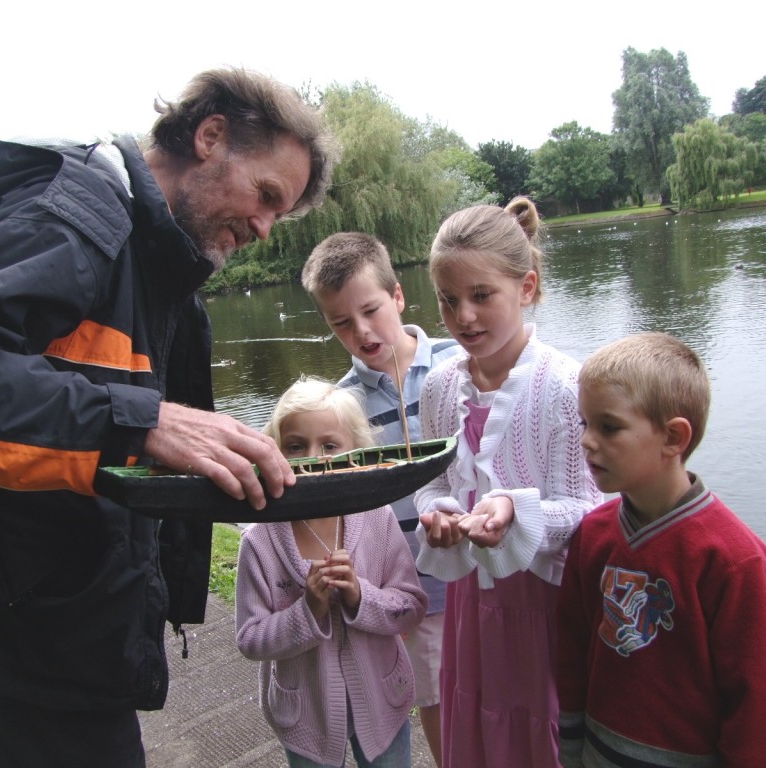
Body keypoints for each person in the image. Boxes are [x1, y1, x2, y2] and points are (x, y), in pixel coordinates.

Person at [0, 67, 338, 768]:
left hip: (77, 616)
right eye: (266, 196)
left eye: (279, 214)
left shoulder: (161, 266)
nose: (265, 228)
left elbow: (109, 434)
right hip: (26, 628)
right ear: (210, 137)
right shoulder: (76, 219)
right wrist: (140, 425)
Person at [414, 197, 602, 768]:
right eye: (448, 300)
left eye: (480, 296)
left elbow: (592, 511)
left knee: (543, 737)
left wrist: (514, 513)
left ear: (526, 287)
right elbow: (434, 480)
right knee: (478, 728)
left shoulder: (569, 388)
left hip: (545, 604)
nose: (463, 317)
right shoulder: (440, 388)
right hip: (472, 600)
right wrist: (438, 513)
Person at [557, 332, 766, 767]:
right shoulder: (592, 534)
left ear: (674, 437)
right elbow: (572, 648)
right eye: (585, 423)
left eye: (609, 427)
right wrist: (571, 746)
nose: (587, 441)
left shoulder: (734, 560)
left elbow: (755, 697)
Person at [301, 232, 461, 766]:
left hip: (488, 571)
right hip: (417, 583)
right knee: (436, 696)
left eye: (370, 310)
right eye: (340, 322)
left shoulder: (459, 361)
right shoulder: (340, 408)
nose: (361, 332)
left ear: (397, 296)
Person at [235, 376, 428, 767]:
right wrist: (307, 611)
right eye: (295, 446)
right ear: (273, 452)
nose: (313, 457)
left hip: (382, 702)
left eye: (329, 445)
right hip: (305, 713)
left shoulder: (376, 516)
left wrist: (362, 597)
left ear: (355, 451)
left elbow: (412, 606)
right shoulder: (260, 541)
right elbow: (251, 640)